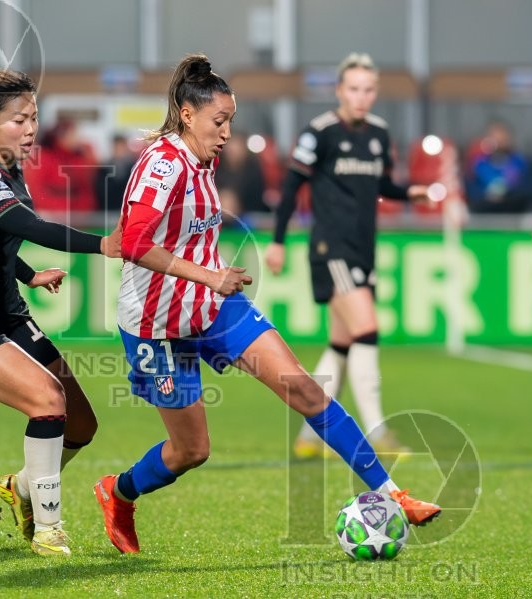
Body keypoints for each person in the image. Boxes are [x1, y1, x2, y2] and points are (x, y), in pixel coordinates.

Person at [93, 54, 440, 554]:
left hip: (212, 307)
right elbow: (134, 245)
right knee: (191, 451)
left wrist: (210, 282)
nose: (228, 131)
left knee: (305, 390)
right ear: (187, 115)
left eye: (231, 119)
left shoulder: (202, 158)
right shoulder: (162, 165)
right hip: (155, 323)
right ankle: (118, 492)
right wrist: (211, 275)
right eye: (220, 120)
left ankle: (392, 493)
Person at [0, 69, 121, 557]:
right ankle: (50, 528)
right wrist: (102, 245)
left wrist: (27, 275)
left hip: (7, 312)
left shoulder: (10, 168)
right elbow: (26, 224)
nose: (30, 128)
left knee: (81, 426)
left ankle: (22, 487)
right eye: (18, 120)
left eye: (33, 118)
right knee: (48, 400)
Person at [264, 53, 429, 460]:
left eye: (368, 89)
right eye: (353, 88)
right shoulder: (319, 133)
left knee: (341, 344)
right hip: (330, 248)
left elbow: (382, 185)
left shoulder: (379, 133)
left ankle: (307, 434)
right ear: (339, 90)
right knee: (367, 328)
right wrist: (278, 241)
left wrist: (409, 193)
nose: (361, 96)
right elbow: (290, 188)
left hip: (362, 249)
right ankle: (377, 430)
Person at [465, 120, 532, 213]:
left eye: (502, 138)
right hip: (484, 216)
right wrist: (486, 197)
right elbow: (471, 192)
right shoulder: (477, 165)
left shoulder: (522, 163)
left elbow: (531, 190)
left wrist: (507, 195)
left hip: (515, 214)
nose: (498, 141)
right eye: (494, 137)